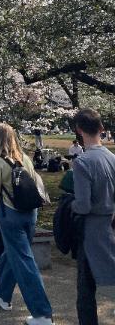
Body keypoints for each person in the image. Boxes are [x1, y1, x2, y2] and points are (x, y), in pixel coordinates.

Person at [0, 122, 53, 324]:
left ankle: (42, 313)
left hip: (11, 215)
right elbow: (36, 184)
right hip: (30, 214)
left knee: (24, 261)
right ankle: (1, 294)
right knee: (13, 254)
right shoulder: (24, 158)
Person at [71, 108, 115, 325]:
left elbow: (83, 205)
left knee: (86, 291)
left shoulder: (82, 162)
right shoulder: (112, 158)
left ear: (79, 130)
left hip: (90, 231)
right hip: (110, 226)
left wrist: (69, 204)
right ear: (101, 128)